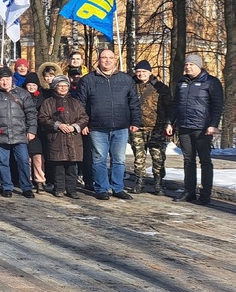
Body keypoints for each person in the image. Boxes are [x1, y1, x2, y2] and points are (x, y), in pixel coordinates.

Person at [76, 49, 141, 201]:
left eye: (110, 58)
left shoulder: (125, 80)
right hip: (97, 127)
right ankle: (101, 188)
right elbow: (80, 105)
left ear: (115, 60)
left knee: (119, 159)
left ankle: (118, 188)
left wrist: (135, 121)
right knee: (99, 159)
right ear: (98, 60)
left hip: (121, 126)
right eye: (104, 58)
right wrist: (83, 123)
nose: (107, 61)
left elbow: (134, 103)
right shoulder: (88, 80)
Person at [166, 54, 224, 205]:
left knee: (205, 161)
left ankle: (205, 194)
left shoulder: (211, 82)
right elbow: (175, 105)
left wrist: (213, 124)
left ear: (199, 66)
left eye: (191, 64)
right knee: (188, 160)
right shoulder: (181, 82)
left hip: (202, 128)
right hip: (184, 126)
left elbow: (217, 106)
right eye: (186, 65)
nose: (188, 67)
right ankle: (189, 191)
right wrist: (170, 122)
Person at [0, 66, 38, 198]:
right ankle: (7, 187)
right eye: (2, 79)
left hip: (19, 134)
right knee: (3, 162)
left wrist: (31, 130)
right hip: (1, 135)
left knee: (23, 161)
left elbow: (31, 113)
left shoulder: (22, 94)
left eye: (7, 79)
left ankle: (26, 187)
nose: (4, 82)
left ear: (11, 79)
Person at [38, 76, 89, 199]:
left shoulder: (76, 102)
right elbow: (43, 118)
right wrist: (57, 125)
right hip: (57, 138)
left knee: (72, 166)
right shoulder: (49, 102)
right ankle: (59, 188)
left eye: (65, 86)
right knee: (58, 166)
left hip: (73, 138)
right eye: (60, 86)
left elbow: (84, 117)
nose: (63, 88)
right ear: (55, 87)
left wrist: (75, 126)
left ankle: (72, 190)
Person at [131, 60, 171, 194]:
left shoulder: (160, 87)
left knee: (158, 157)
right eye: (138, 71)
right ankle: (139, 182)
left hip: (156, 127)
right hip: (137, 127)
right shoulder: (131, 86)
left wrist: (168, 123)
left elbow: (169, 107)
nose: (141, 74)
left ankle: (158, 183)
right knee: (139, 157)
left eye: (144, 71)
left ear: (150, 72)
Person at [22, 73, 46, 192]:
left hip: (39, 131)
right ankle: (29, 179)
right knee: (27, 157)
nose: (31, 87)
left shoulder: (43, 97)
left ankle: (40, 180)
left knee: (38, 157)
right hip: (24, 129)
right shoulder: (21, 95)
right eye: (29, 85)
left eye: (33, 85)